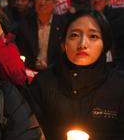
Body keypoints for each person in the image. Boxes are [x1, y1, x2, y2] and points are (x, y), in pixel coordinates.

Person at [28, 10, 124, 140]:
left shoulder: (119, 86)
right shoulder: (43, 82)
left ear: (105, 44)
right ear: (63, 43)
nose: (82, 44)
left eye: (93, 36)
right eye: (74, 35)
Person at [16, 0, 67, 71]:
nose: (42, 2)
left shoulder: (63, 24)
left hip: (56, 73)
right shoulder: (26, 24)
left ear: (55, 3)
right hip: (31, 73)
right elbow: (22, 51)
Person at [88, 0, 124, 70]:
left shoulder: (118, 17)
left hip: (116, 67)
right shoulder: (84, 19)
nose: (96, 0)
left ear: (107, 0)